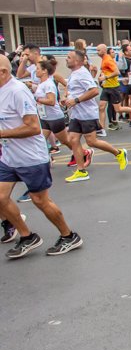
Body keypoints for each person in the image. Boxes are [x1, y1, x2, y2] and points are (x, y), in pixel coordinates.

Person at [0, 54, 83, 259]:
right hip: (10, 156)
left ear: (2, 72)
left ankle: (68, 236)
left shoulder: (18, 92)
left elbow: (33, 127)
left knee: (40, 200)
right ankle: (27, 236)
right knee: (0, 197)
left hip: (32, 157)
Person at [63, 50, 129, 183]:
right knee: (73, 139)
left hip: (87, 114)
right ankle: (81, 171)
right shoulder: (74, 74)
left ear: (76, 61)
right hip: (77, 114)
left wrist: (76, 100)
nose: (66, 59)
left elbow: (93, 91)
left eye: (69, 57)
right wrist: (67, 99)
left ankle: (119, 153)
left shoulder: (82, 73)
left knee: (91, 142)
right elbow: (75, 91)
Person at [97, 44, 131, 135]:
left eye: (98, 50)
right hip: (106, 87)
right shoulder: (104, 60)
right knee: (101, 107)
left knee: (118, 109)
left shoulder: (108, 60)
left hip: (113, 87)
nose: (97, 52)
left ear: (104, 50)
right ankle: (102, 129)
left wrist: (105, 77)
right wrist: (102, 78)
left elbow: (117, 72)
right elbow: (104, 72)